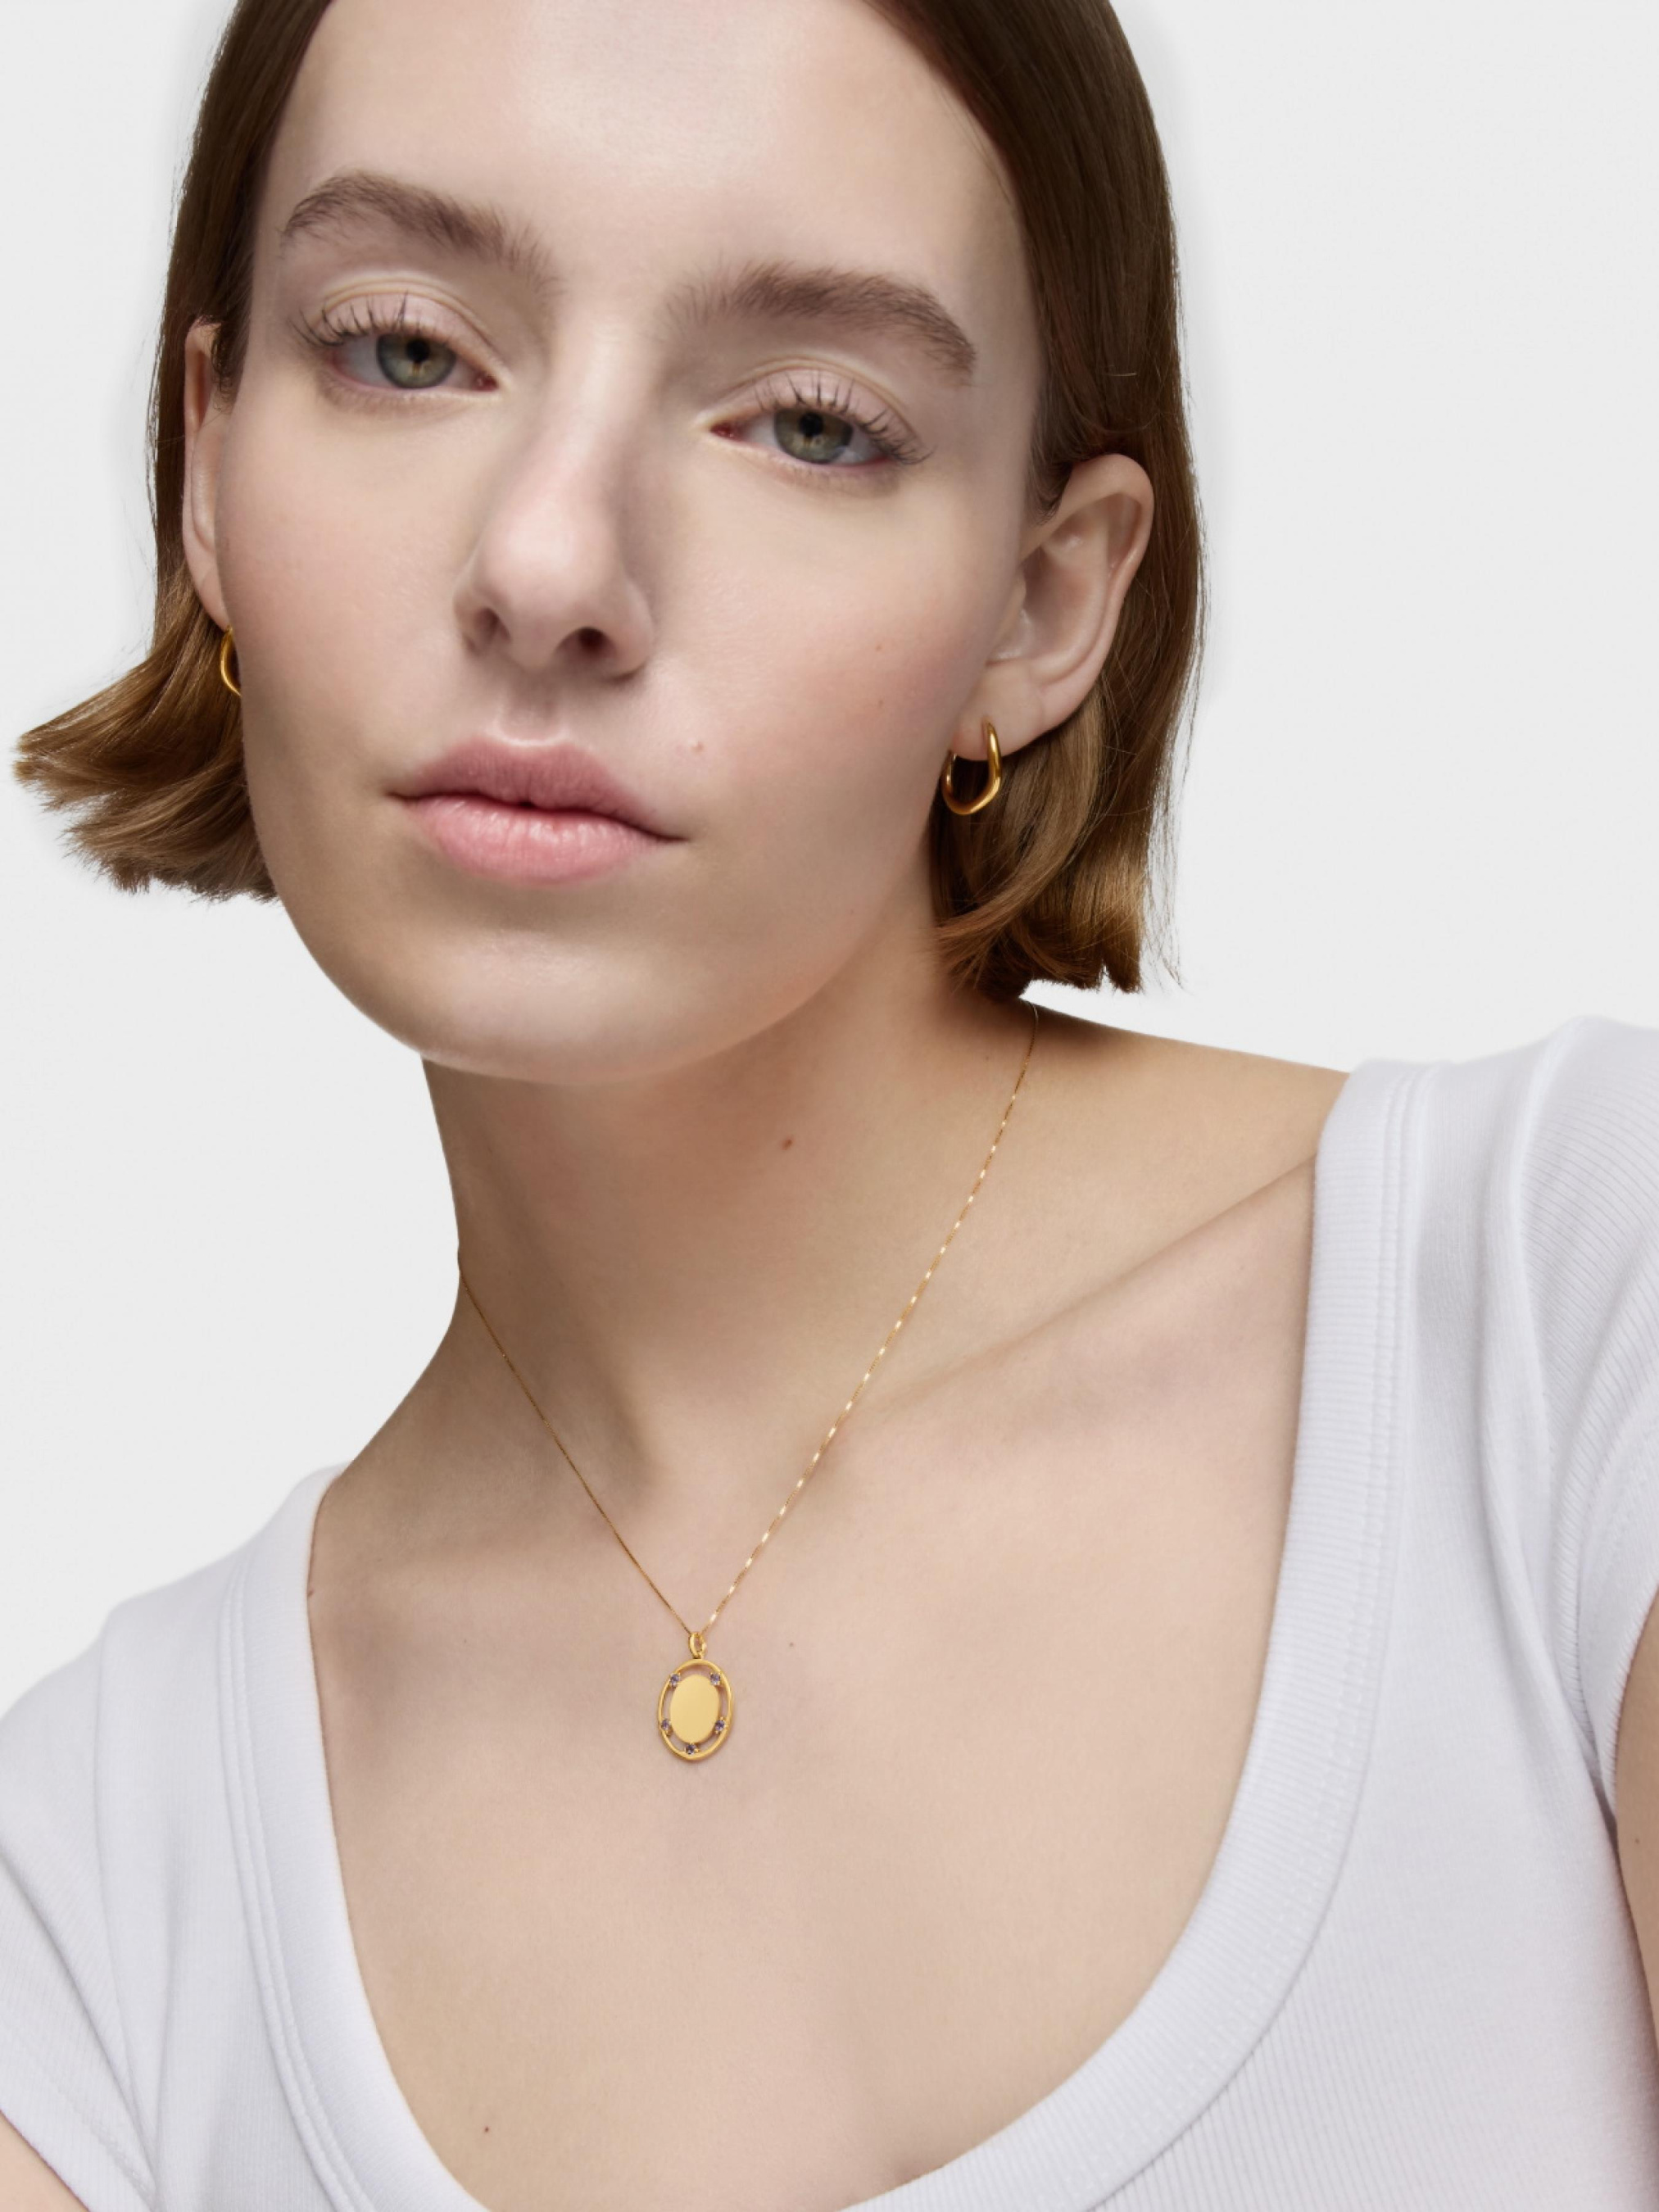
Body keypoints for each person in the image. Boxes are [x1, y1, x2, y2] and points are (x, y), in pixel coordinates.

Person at [3, 0, 1657, 2205]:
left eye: (807, 423)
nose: (549, 569)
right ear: (206, 460)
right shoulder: (95, 1917)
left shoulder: (1570, 1331)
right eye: (406, 350)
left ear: (1043, 604)